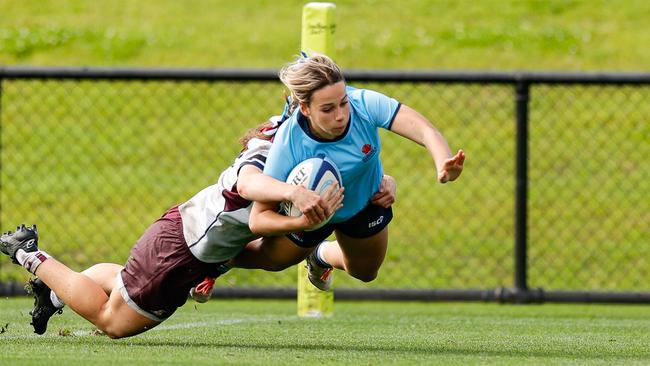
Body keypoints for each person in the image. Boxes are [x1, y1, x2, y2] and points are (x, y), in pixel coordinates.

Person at [0, 116, 345, 339]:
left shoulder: (292, 136)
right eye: (328, 108)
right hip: (182, 244)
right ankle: (28, 253)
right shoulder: (271, 151)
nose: (338, 117)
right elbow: (248, 201)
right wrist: (300, 212)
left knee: (124, 283)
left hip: (187, 237)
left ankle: (54, 294)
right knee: (115, 322)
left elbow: (236, 231)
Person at [231, 53, 465, 291]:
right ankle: (209, 265)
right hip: (312, 213)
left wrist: (443, 162)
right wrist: (301, 220)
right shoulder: (289, 142)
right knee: (271, 260)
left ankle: (320, 256)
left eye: (343, 102)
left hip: (365, 202)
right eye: (328, 109)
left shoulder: (363, 103)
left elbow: (424, 130)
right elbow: (258, 219)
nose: (341, 115)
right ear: (305, 108)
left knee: (365, 272)